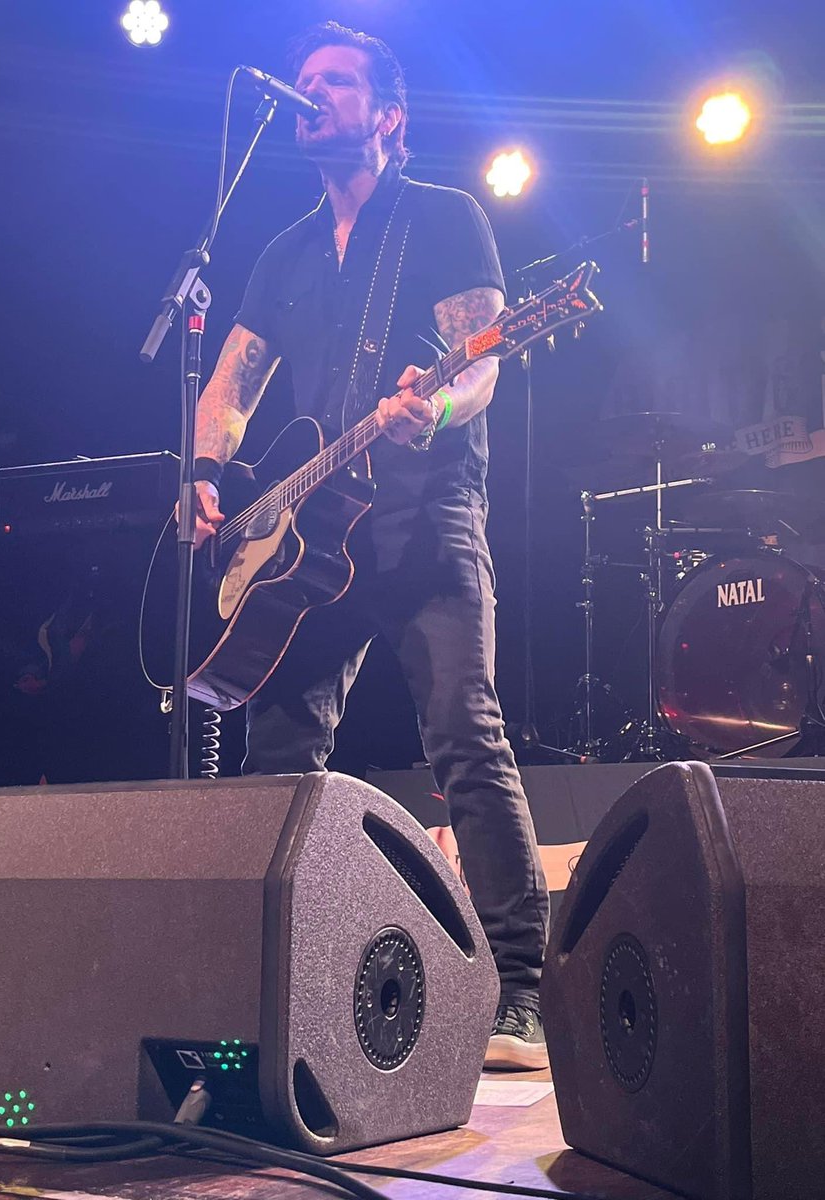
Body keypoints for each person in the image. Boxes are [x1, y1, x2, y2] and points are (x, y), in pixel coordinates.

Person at [192, 21, 550, 1070]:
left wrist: (429, 414)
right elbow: (235, 379)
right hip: (308, 543)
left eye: (336, 83)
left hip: (423, 518)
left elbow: (480, 356)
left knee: (463, 735)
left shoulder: (441, 217)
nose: (313, 96)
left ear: (386, 115)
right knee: (280, 758)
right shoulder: (283, 250)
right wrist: (212, 473)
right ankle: (276, 988)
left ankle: (522, 992)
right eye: (303, 82)